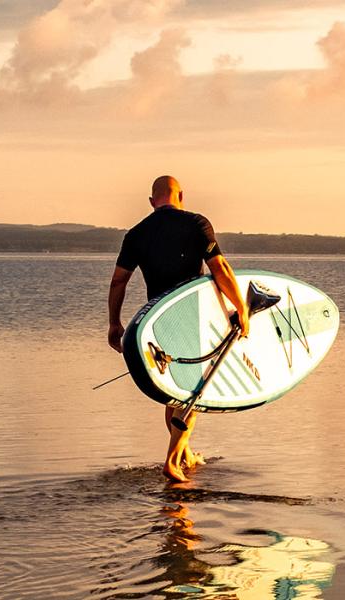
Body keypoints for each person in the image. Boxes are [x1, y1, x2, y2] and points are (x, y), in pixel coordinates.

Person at [108, 175, 249, 483]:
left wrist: (114, 323)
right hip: (190, 315)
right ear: (181, 196)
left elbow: (119, 281)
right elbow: (220, 269)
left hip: (157, 320)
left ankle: (184, 453)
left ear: (151, 201)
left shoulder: (136, 234)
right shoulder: (197, 224)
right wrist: (241, 307)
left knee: (174, 393)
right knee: (193, 393)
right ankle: (172, 461)